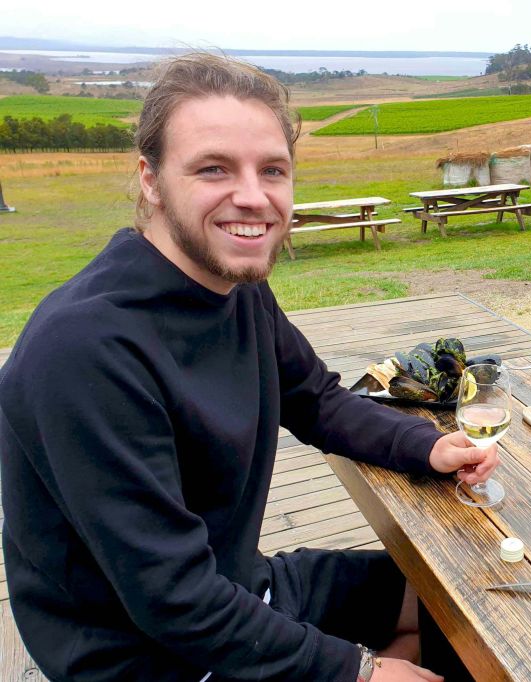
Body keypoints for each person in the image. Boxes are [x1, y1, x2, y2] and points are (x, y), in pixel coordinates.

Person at [0, 53, 497, 681]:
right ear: (150, 179)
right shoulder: (85, 351)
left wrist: (427, 446)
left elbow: (316, 399)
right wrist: (360, 672)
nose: (253, 197)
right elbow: (172, 599)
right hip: (147, 655)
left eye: (273, 170)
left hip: (236, 582)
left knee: (455, 599)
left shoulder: (234, 289)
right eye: (214, 169)